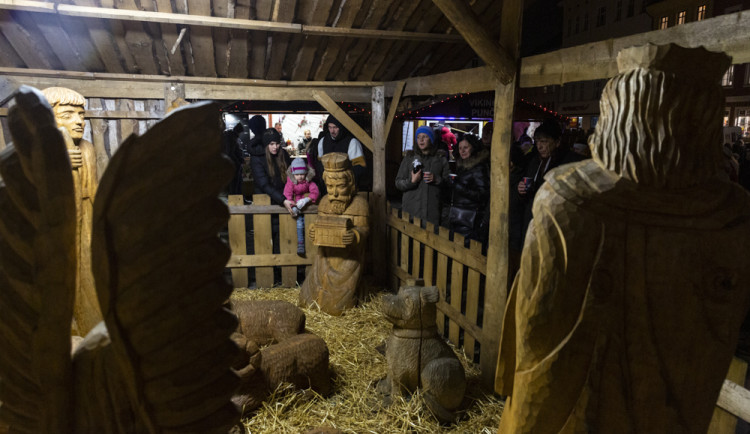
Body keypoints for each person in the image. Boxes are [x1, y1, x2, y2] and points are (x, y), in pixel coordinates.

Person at [496, 44, 750, 434]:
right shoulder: (734, 216)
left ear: (621, 109)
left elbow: (537, 328)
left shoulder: (570, 199)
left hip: (575, 409)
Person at [41, 86, 103, 337]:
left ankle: (91, 323)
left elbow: (94, 187)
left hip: (86, 219)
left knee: (89, 274)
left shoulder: (87, 148)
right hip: (56, 228)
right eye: (67, 115)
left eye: (81, 115)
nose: (78, 121)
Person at [299, 153, 369, 316]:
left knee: (338, 307)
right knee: (307, 300)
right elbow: (319, 225)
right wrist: (313, 231)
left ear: (350, 184)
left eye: (340, 187)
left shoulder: (359, 205)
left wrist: (355, 235)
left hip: (349, 261)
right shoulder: (324, 202)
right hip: (324, 257)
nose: (335, 193)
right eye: (330, 187)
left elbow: (365, 230)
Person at [511, 118, 583, 254]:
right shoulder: (534, 162)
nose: (539, 146)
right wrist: (520, 191)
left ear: (557, 142)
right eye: (537, 141)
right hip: (532, 223)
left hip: (555, 225)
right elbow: (524, 197)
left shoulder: (569, 163)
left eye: (544, 141)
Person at [395, 125, 450, 226]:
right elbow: (398, 182)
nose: (421, 140)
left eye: (425, 136)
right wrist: (411, 182)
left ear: (431, 139)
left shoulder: (440, 159)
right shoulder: (409, 158)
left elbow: (449, 185)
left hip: (432, 214)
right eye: (418, 137)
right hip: (411, 213)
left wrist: (437, 179)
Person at [308, 115, 367, 194]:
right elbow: (320, 164)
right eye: (330, 127)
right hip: (327, 188)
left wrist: (342, 180)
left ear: (341, 126)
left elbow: (359, 167)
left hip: (346, 189)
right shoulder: (323, 141)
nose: (332, 131)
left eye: (335, 127)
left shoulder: (352, 143)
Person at [448, 134, 489, 241]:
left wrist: (458, 186)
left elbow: (483, 194)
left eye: (466, 147)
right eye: (460, 148)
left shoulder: (479, 167)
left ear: (473, 147)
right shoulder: (462, 166)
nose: (462, 151)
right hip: (459, 217)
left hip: (470, 220)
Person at [249, 128, 294, 212]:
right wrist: (282, 200)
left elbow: (290, 175)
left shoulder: (283, 153)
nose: (275, 147)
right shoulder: (257, 158)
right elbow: (264, 184)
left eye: (277, 144)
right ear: (266, 144)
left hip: (284, 197)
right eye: (271, 144)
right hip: (265, 200)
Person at [284, 158, 320, 254]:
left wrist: (307, 199)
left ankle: (313, 246)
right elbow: (288, 195)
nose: (300, 177)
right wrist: (293, 206)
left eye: (302, 174)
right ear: (293, 174)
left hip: (308, 207)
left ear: (306, 173)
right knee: (299, 223)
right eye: (297, 174)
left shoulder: (309, 182)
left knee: (310, 224)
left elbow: (315, 192)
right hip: (297, 207)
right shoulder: (291, 183)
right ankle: (301, 244)